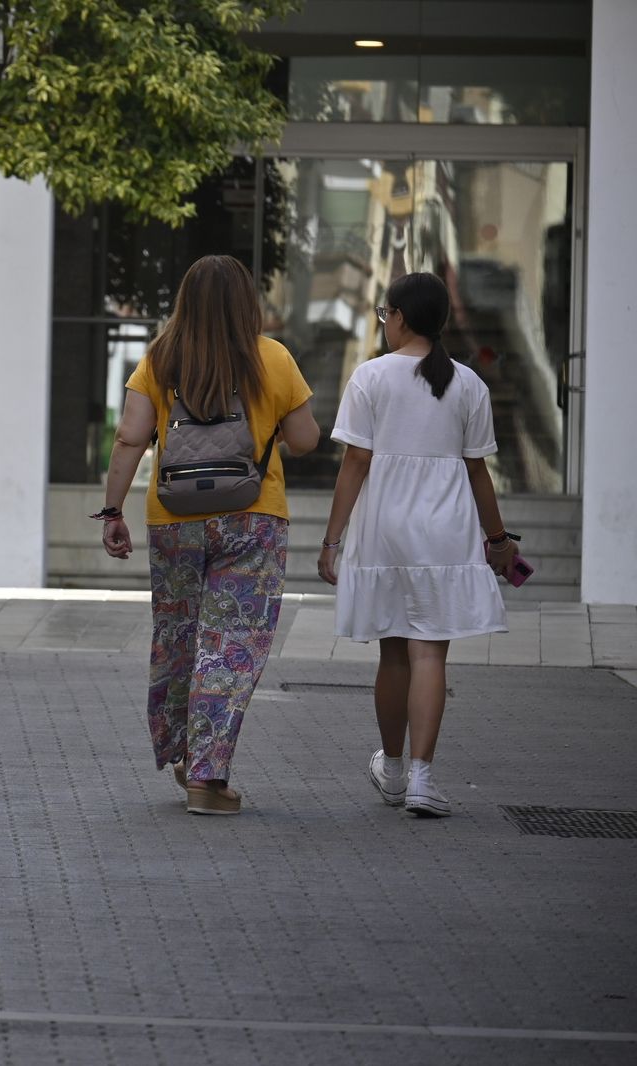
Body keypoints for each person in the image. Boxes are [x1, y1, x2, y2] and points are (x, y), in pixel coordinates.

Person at [97, 255, 320, 815]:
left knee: (178, 637)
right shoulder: (272, 358)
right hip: (253, 516)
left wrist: (112, 510)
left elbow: (129, 438)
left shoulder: (160, 357)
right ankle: (207, 777)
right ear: (247, 301)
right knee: (230, 645)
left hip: (173, 518)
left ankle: (182, 752)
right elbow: (307, 438)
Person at [317, 272, 513, 818]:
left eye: (386, 313)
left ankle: (395, 769)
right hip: (445, 530)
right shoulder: (469, 384)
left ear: (399, 316)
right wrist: (497, 540)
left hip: (384, 528)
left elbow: (355, 463)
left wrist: (332, 540)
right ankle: (424, 779)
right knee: (431, 650)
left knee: (393, 651)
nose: (384, 322)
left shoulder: (371, 378)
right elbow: (478, 473)